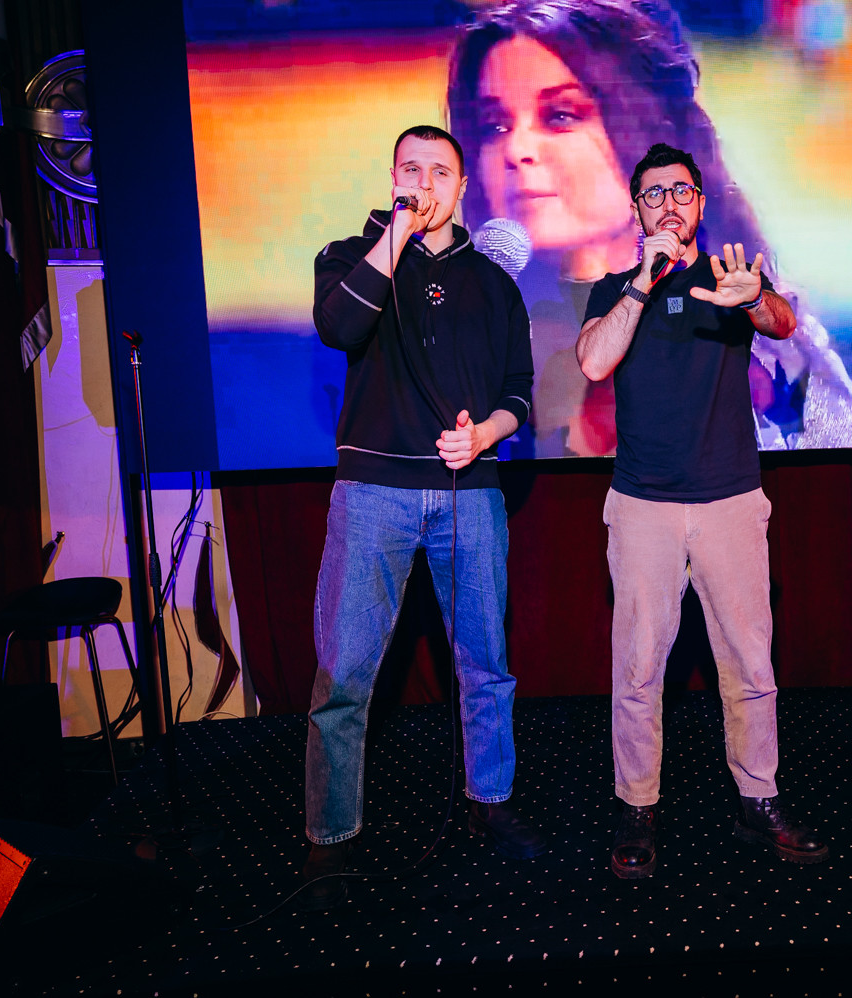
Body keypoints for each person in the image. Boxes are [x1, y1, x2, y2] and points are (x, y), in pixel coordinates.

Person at [446, 0, 852, 458]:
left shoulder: (751, 329)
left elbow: (837, 481)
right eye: (495, 126)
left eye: (561, 115)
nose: (516, 149)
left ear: (647, 133)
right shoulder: (468, 329)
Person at [303, 125, 544, 909]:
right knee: (345, 673)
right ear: (393, 176)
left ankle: (490, 801)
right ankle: (331, 836)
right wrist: (395, 235)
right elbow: (340, 327)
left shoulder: (494, 283)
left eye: (441, 171)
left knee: (485, 661)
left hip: (471, 492)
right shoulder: (351, 255)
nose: (427, 182)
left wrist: (486, 435)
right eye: (413, 169)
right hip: (372, 492)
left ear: (463, 186)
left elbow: (519, 391)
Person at [576, 142, 831, 878]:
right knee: (638, 668)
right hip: (642, 504)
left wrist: (751, 298)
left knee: (750, 661)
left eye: (680, 191)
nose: (668, 204)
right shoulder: (615, 289)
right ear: (636, 208)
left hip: (729, 499)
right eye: (653, 194)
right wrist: (641, 282)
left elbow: (782, 324)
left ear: (700, 202)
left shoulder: (730, 276)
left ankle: (759, 799)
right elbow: (594, 361)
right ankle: (637, 806)